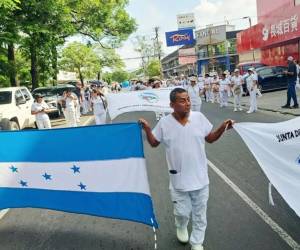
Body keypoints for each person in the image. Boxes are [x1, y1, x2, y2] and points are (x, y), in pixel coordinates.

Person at [139, 88, 233, 250]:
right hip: (178, 180)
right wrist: (147, 129)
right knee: (182, 212)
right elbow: (154, 143)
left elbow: (210, 139)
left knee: (200, 215)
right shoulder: (165, 123)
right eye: (182, 100)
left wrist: (222, 128)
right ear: (172, 105)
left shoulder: (199, 117)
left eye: (188, 99)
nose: (187, 103)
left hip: (201, 178)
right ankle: (181, 226)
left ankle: (197, 242)